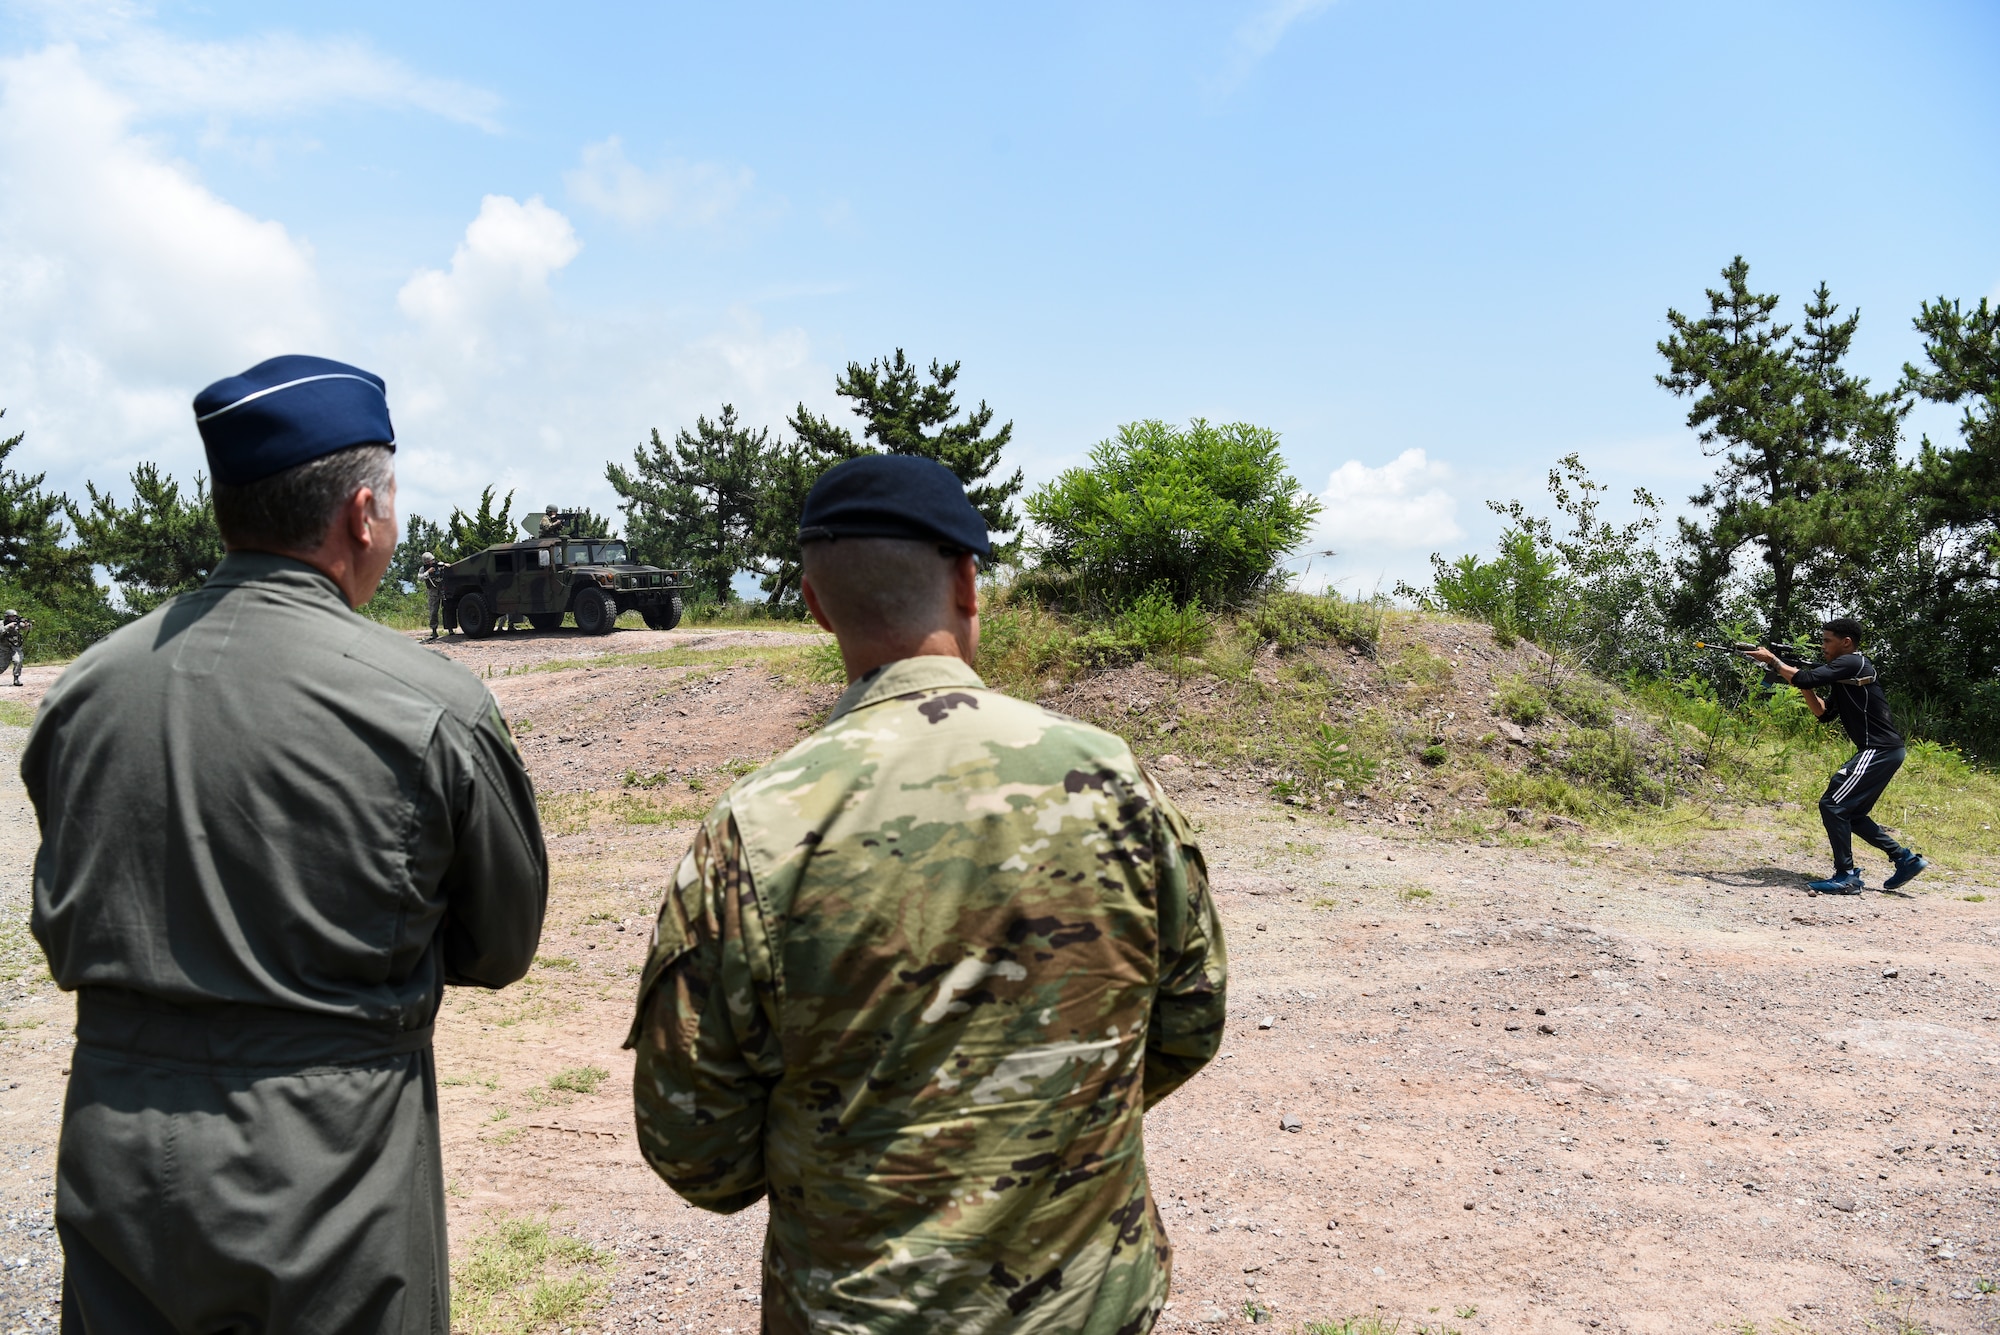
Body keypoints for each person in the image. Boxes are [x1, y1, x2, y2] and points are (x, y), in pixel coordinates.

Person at [627, 454, 1227, 1335]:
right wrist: (1045, 1118)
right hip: (1088, 1307)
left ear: (815, 602)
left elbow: (696, 1146)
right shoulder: (1112, 779)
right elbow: (1189, 1019)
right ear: (970, 582)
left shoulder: (758, 829)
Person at [25, 354, 549, 1333]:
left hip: (119, 1152)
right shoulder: (429, 705)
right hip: (330, 1167)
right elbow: (499, 944)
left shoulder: (86, 692)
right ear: (361, 514)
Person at [1750, 617, 1927, 894]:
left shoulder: (1853, 662)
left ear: (1846, 642)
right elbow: (1824, 713)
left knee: (1833, 804)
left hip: (1878, 749)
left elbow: (1804, 676)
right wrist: (1801, 683)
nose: (1823, 647)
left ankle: (1846, 876)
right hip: (1884, 751)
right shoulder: (1845, 674)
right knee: (1852, 814)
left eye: (1826, 641)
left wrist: (1774, 662)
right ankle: (1905, 859)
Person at [420, 550, 447, 640]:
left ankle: (450, 628)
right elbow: (420, 578)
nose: (430, 563)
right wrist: (428, 572)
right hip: (433, 592)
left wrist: (445, 566)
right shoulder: (423, 569)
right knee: (433, 611)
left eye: (431, 561)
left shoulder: (439, 565)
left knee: (447, 608)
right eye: (427, 562)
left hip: (443, 589)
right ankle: (434, 631)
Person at [1, 609, 31, 686]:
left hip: (15, 647)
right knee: (2, 666)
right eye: (11, 617)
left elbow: (25, 628)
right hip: (4, 647)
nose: (13, 619)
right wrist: (7, 627)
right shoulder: (1, 623)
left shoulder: (17, 624)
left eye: (14, 617)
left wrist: (27, 625)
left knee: (18, 661)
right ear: (7, 617)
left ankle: (16, 679)